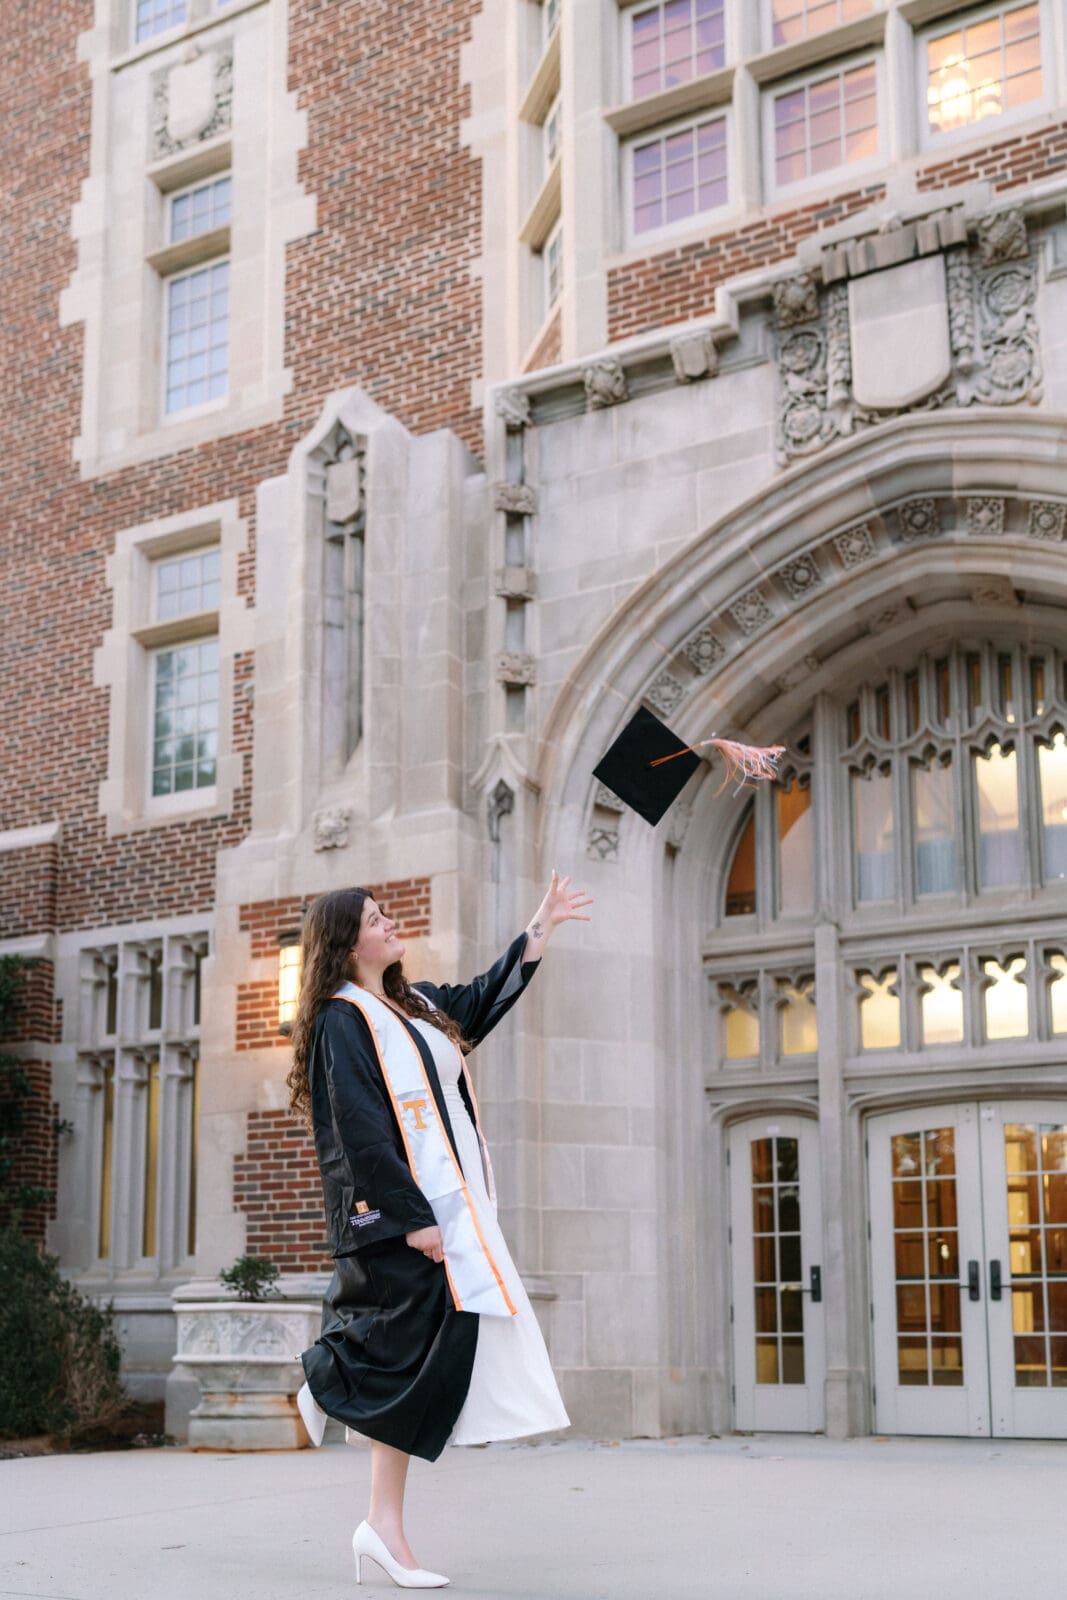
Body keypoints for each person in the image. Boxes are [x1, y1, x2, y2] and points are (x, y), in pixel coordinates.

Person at [287, 873, 593, 1589]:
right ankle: (329, 1378)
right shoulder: (343, 1018)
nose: (389, 921)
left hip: (454, 1211)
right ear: (345, 941)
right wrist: (413, 1220)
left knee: (421, 1351)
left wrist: (540, 926)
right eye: (373, 917)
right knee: (407, 1350)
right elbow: (359, 1130)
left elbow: (483, 1000)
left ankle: (379, 1524)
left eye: (385, 911)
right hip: (407, 1220)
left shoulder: (412, 1006)